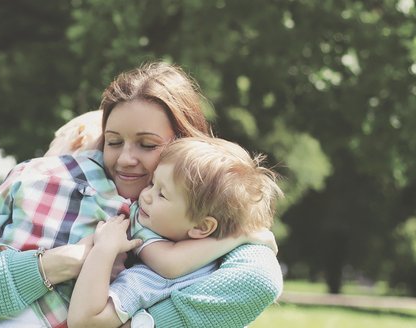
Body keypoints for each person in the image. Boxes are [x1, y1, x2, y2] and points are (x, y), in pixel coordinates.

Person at [0, 62, 284, 327]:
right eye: (113, 142)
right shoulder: (52, 182)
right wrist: (58, 263)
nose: (126, 159)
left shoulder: (225, 227)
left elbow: (257, 281)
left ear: (183, 146)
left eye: (147, 144)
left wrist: (243, 235)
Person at [67, 137, 283, 328]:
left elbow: (85, 321)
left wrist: (104, 249)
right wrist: (241, 236)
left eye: (162, 194)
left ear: (201, 227)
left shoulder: (156, 278)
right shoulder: (152, 225)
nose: (147, 195)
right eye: (152, 182)